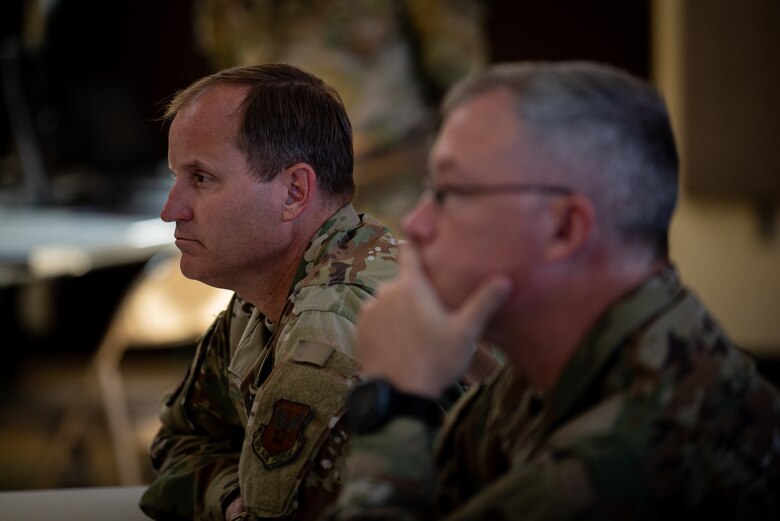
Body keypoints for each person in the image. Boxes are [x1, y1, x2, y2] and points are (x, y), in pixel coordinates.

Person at [330, 61, 780, 520]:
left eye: (451, 192)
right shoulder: (545, 370)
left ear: (564, 228)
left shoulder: (625, 458)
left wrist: (396, 400)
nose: (416, 223)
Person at [138, 63, 401, 520]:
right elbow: (180, 440)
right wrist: (228, 498)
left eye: (201, 178)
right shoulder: (261, 296)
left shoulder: (330, 326)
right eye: (176, 176)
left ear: (294, 192)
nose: (171, 209)